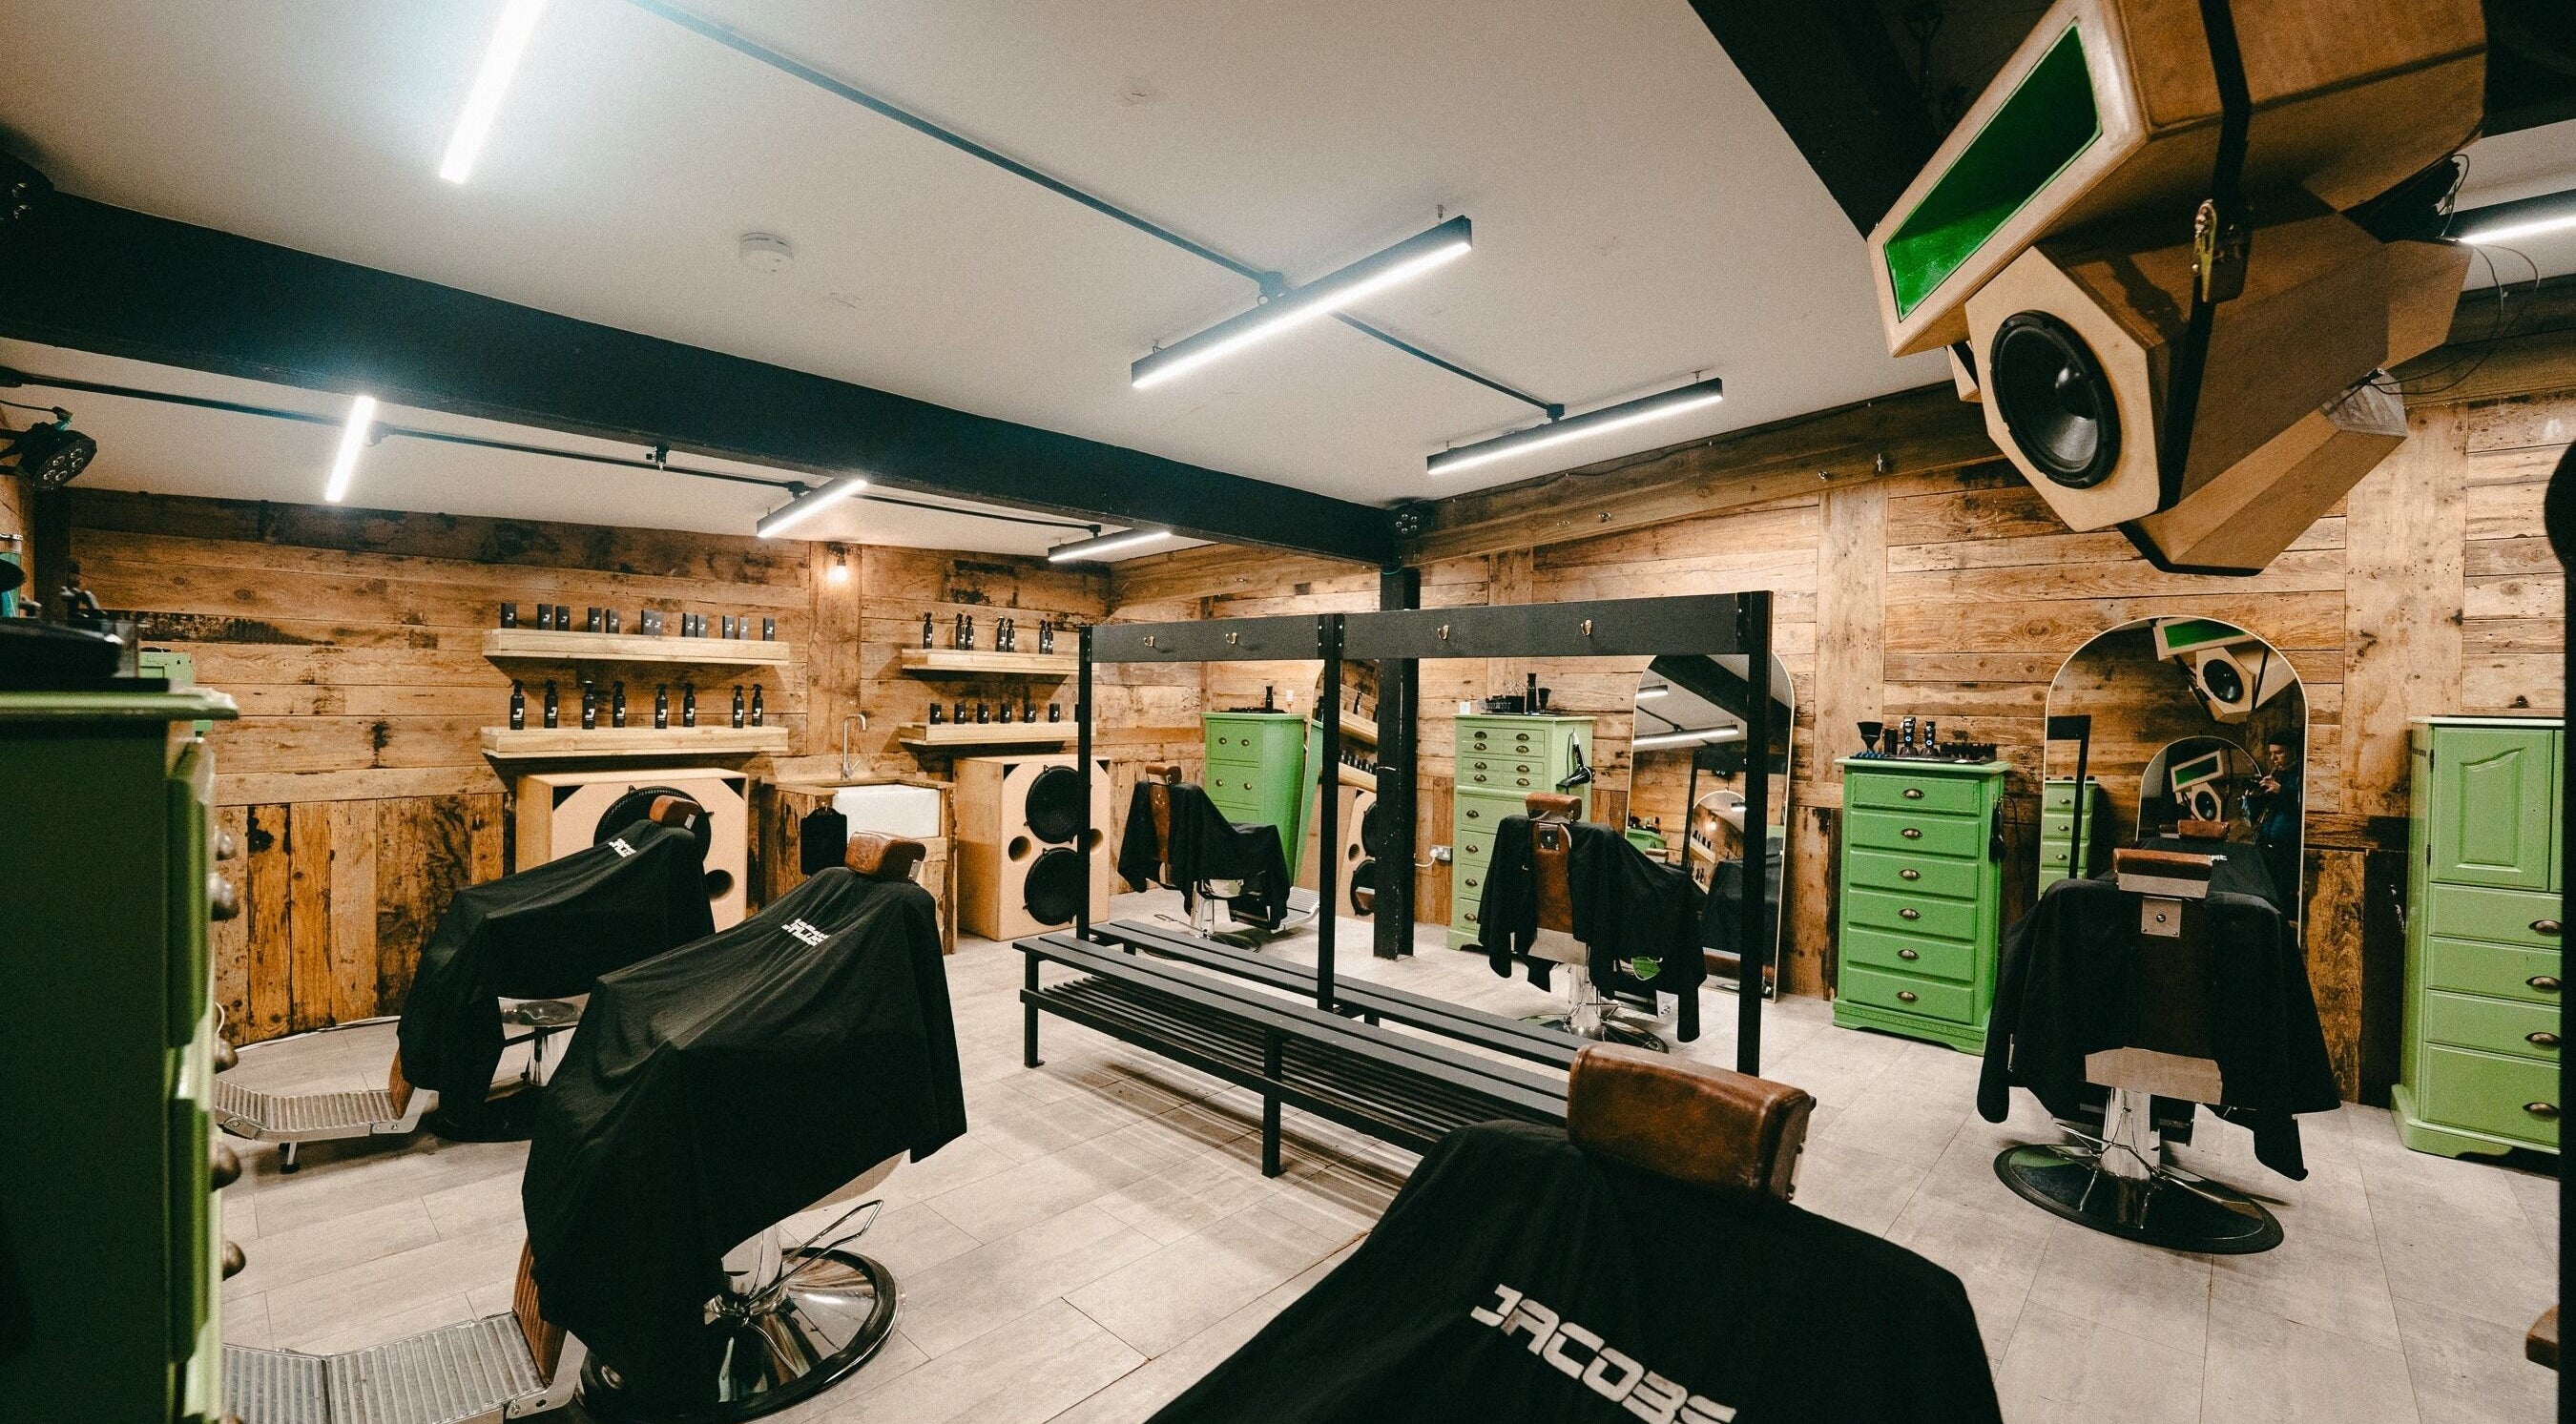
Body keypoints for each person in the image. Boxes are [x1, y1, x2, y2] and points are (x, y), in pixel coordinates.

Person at [2249, 735, 2302, 905]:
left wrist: (2281, 791)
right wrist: (2254, 795)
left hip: (2288, 847)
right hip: (2268, 842)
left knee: (2283, 892)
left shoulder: (2302, 773)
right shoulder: (2277, 773)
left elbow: (2304, 805)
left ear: (2293, 752)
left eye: (2279, 753)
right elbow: (2260, 811)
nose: (2273, 758)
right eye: (2271, 753)